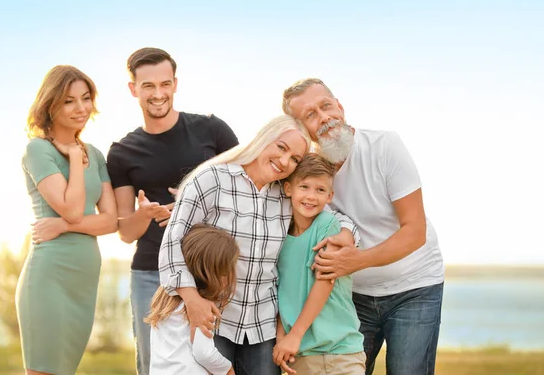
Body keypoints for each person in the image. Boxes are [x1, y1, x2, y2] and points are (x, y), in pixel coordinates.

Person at [159, 115, 359, 374]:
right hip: (214, 318)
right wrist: (191, 299)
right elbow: (172, 243)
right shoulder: (213, 179)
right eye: (281, 147)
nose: (285, 161)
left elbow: (327, 212)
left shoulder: (285, 192)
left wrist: (348, 232)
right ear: (264, 138)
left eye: (295, 159)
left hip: (262, 325)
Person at [282, 78, 445, 375]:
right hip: (353, 296)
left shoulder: (384, 146)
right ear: (301, 129)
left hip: (415, 286)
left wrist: (357, 261)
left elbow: (415, 230)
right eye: (310, 115)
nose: (324, 118)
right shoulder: (308, 175)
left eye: (326, 106)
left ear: (340, 106)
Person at [106, 47, 239, 374]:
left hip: (212, 272)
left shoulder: (211, 130)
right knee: (155, 365)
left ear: (175, 84)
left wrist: (194, 201)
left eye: (165, 84)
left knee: (216, 363)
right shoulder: (122, 152)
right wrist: (145, 215)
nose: (158, 93)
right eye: (148, 86)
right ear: (133, 89)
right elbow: (125, 231)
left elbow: (245, 189)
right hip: (153, 274)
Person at [16, 65, 118, 375]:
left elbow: (111, 221)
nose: (81, 108)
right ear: (50, 104)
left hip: (83, 279)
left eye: (85, 98)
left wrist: (63, 226)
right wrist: (73, 157)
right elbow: (73, 209)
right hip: (49, 276)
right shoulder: (38, 150)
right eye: (69, 100)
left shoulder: (97, 155)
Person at [273, 153, 365, 375]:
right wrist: (282, 335)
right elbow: (281, 290)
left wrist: (294, 335)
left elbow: (325, 282)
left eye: (320, 190)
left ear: (330, 196)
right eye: (304, 186)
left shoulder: (328, 225)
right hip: (301, 355)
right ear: (288, 189)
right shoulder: (278, 235)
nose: (311, 197)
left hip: (338, 352)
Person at [146, 224, 239, 375]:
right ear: (214, 273)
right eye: (228, 270)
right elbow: (204, 353)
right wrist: (227, 369)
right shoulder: (201, 308)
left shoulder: (166, 299)